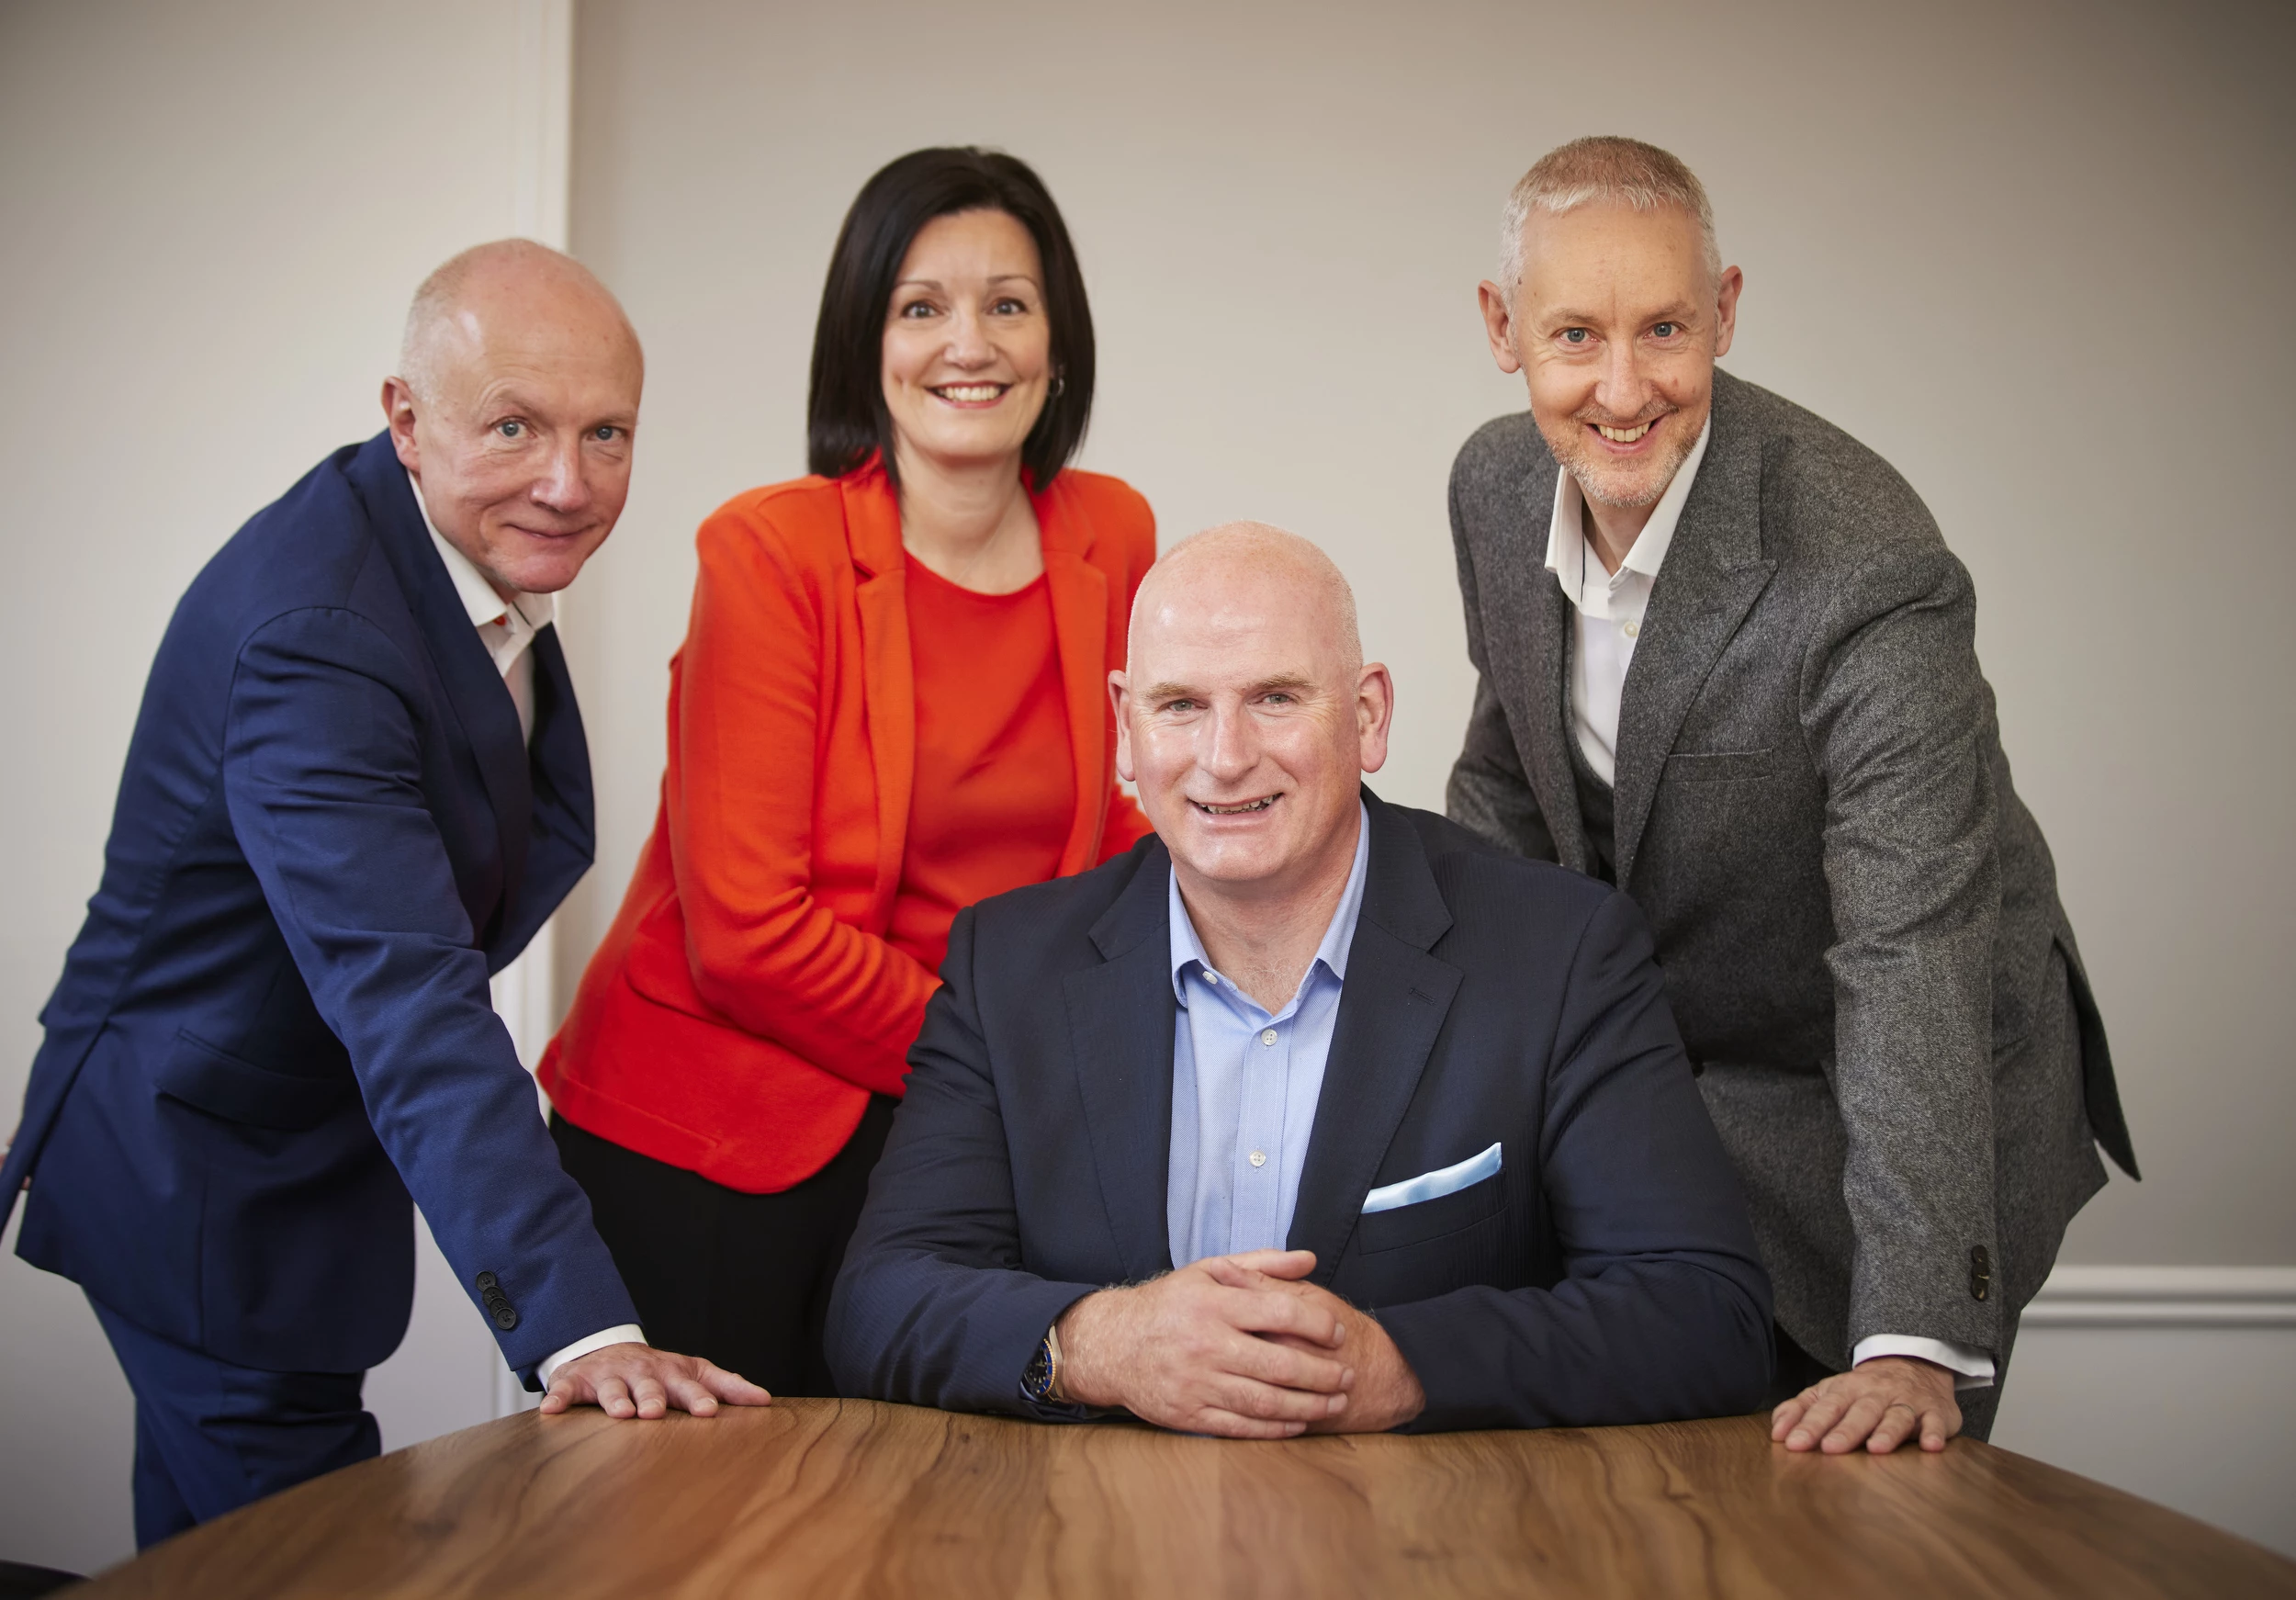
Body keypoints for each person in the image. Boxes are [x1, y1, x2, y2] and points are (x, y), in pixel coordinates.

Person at [0, 242, 766, 1548]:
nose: (569, 483)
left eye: (608, 433)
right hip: (198, 1173)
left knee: (205, 1560)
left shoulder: (455, 549)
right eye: (515, 425)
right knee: (311, 1555)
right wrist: (582, 1324)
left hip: (272, 1138)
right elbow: (412, 994)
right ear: (406, 418)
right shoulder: (318, 636)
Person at [1445, 137, 2138, 1454]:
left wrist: (1914, 1341)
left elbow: (1912, 945)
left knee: (1855, 1522)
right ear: (1501, 327)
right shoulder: (1491, 485)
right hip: (1673, 1083)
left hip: (1883, 1102)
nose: (1623, 386)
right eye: (1575, 334)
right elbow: (1509, 784)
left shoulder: (1867, 567)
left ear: (1727, 312)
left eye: (1666, 329)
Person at [826, 524, 1773, 1434]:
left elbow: (1703, 1310)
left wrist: (1397, 1365)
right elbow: (879, 1302)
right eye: (1180, 704)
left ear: (1366, 716)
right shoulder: (1009, 964)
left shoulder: (1560, 952)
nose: (1225, 756)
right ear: (1125, 728)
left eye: (1275, 698)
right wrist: (1103, 1343)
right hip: (1098, 1548)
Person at [539, 148, 1157, 1397]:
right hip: (714, 1137)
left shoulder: (1115, 532)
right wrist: (998, 1062)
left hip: (937, 1134)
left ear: (1058, 339)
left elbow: (1112, 832)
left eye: (1008, 303)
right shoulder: (772, 552)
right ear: (865, 340)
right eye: (920, 306)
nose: (967, 343)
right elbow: (749, 935)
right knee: (712, 1550)